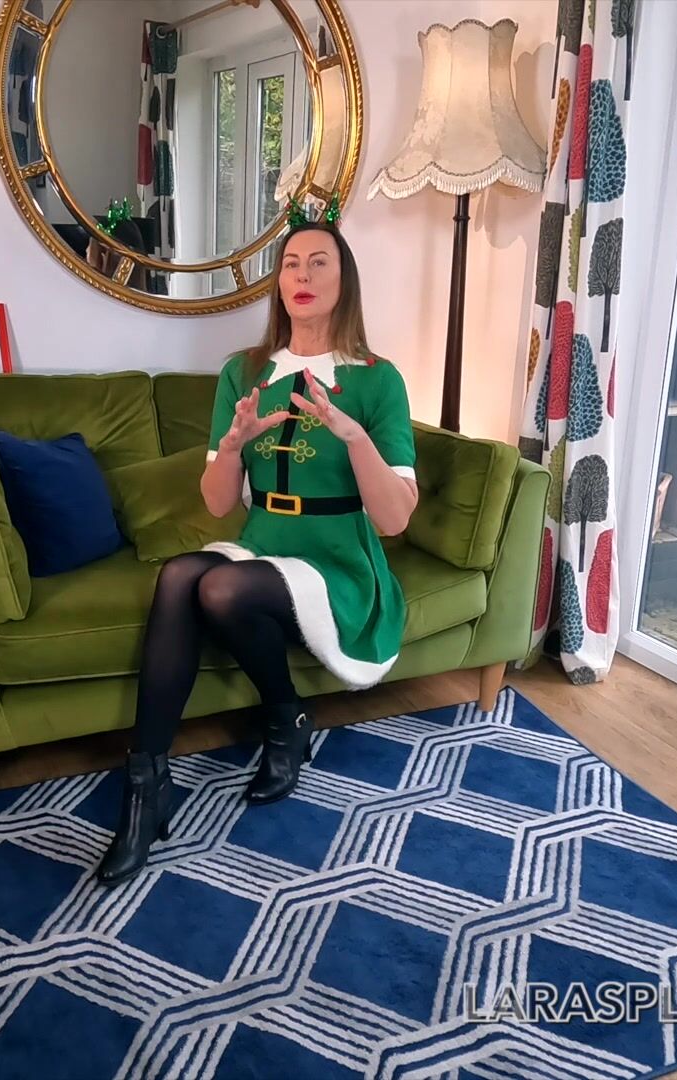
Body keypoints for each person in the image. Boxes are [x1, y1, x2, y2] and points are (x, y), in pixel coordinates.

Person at [98, 214, 418, 884]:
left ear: (345, 279)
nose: (303, 275)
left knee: (220, 586)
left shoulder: (376, 379)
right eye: (292, 263)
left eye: (320, 262)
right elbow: (219, 504)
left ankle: (283, 717)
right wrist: (233, 447)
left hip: (338, 561)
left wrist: (354, 436)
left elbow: (393, 520)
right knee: (180, 574)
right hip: (265, 542)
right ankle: (146, 784)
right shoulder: (244, 373)